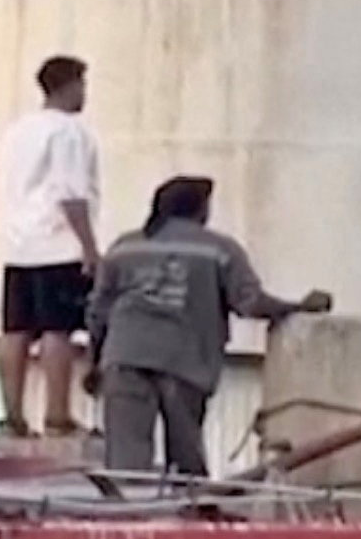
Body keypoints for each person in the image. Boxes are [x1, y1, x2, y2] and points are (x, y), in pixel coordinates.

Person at [85, 175, 332, 478]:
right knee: (186, 458)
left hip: (124, 358)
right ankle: (190, 515)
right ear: (200, 209)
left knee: (126, 462)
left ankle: (132, 517)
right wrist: (297, 307)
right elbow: (250, 302)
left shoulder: (124, 247)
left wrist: (94, 362)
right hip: (184, 361)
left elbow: (97, 312)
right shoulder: (219, 250)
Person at [0, 54, 104, 438]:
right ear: (69, 85)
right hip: (57, 242)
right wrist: (90, 248)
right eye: (82, 85)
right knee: (58, 330)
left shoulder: (17, 131)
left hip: (18, 243)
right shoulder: (69, 133)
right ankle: (58, 415)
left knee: (15, 329)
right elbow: (70, 193)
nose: (84, 94)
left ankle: (12, 416)